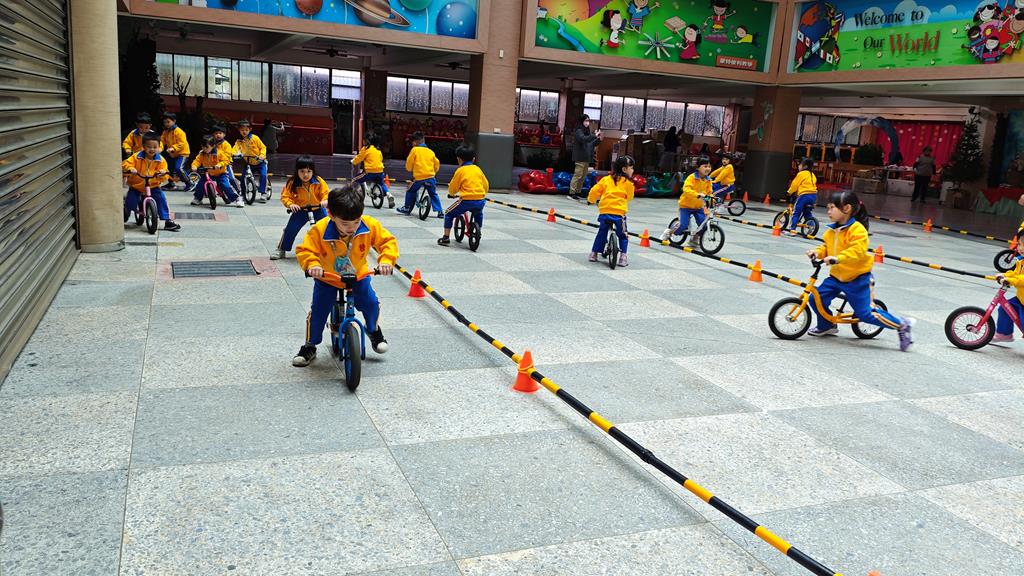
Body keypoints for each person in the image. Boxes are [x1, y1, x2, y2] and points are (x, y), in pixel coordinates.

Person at [292, 185, 397, 367]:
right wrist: (313, 264)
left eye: (356, 222)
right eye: (345, 224)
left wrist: (386, 260)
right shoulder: (320, 229)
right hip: (328, 277)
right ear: (331, 214)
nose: (351, 228)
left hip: (358, 275)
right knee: (318, 311)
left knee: (371, 303)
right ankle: (310, 345)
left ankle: (373, 330)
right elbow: (305, 249)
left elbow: (387, 241)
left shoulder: (368, 224)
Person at [804, 190, 915, 351]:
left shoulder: (858, 230)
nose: (828, 211)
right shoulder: (830, 231)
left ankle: (902, 324)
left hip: (858, 279)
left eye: (832, 207)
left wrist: (838, 258)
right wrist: (817, 252)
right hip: (836, 277)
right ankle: (827, 325)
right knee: (815, 298)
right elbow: (826, 247)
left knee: (865, 314)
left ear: (846, 208)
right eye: (828, 208)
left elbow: (857, 251)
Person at [271, 155, 330, 260]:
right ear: (297, 171)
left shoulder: (318, 181)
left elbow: (326, 193)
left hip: (318, 209)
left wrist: (325, 200)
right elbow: (285, 196)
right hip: (300, 210)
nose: (305, 174)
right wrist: (291, 204)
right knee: (290, 229)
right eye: (302, 171)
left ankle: (332, 249)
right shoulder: (292, 182)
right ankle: (281, 249)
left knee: (328, 226)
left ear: (313, 171)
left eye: (308, 171)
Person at [121, 131, 180, 231]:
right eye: (149, 147)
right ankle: (126, 212)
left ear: (159, 147)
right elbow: (125, 163)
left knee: (161, 198)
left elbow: (165, 172)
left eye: (155, 147)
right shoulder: (136, 157)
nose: (152, 149)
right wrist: (131, 168)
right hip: (137, 185)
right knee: (131, 200)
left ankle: (167, 220)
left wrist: (162, 173)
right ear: (143, 146)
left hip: (153, 185)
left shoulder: (161, 160)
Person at [587, 155, 635, 267]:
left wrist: (591, 200)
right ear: (624, 169)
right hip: (619, 214)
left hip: (605, 212)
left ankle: (594, 254)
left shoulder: (606, 179)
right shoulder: (628, 183)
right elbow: (630, 197)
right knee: (623, 235)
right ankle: (623, 257)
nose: (633, 170)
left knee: (602, 232)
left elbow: (594, 191)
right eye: (631, 168)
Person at [438, 143, 488, 246]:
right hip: (480, 200)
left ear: (459, 159)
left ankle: (446, 237)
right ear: (473, 159)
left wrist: (452, 193)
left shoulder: (460, 171)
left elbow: (453, 187)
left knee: (448, 213)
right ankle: (478, 231)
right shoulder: (478, 169)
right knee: (478, 213)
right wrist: (482, 193)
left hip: (466, 200)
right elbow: (486, 184)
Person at [660, 156, 713, 247]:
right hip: (686, 206)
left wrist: (712, 198)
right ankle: (669, 232)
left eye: (709, 166)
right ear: (698, 167)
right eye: (705, 166)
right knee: (683, 225)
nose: (707, 168)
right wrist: (697, 194)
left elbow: (709, 193)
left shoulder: (708, 180)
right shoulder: (691, 177)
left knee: (703, 224)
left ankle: (694, 238)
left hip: (698, 207)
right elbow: (686, 189)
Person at [190, 135, 244, 208]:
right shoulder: (202, 154)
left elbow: (226, 160)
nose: (204, 149)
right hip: (208, 173)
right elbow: (197, 161)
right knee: (200, 185)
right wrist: (194, 166)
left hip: (221, 173)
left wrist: (219, 164)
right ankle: (198, 198)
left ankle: (237, 199)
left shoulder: (219, 153)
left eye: (206, 147)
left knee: (226, 186)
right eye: (202, 147)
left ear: (213, 146)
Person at [399, 131, 442, 217]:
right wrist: (433, 172)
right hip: (431, 177)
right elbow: (437, 164)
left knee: (411, 190)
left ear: (415, 142)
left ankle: (407, 207)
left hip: (419, 178)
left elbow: (409, 163)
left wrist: (409, 169)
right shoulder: (430, 152)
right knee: (433, 193)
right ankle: (440, 211)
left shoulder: (415, 150)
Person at [993, 229, 1024, 343]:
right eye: (1019, 244)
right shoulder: (1021, 261)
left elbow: (1022, 279)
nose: (1021, 248)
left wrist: (1010, 280)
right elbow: (1016, 273)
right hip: (1021, 298)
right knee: (1005, 308)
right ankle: (1004, 334)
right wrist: (1005, 275)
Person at [352, 133, 395, 208]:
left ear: (366, 141)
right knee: (382, 183)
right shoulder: (378, 150)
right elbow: (381, 159)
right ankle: (388, 194)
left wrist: (353, 161)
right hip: (380, 171)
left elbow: (359, 158)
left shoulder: (365, 149)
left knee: (354, 179)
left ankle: (353, 197)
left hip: (369, 172)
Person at [233, 119, 270, 203]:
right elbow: (234, 149)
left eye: (246, 130)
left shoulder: (255, 138)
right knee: (243, 178)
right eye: (242, 130)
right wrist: (235, 154)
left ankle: (263, 193)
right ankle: (243, 194)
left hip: (260, 162)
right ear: (239, 130)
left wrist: (262, 156)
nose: (244, 132)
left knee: (263, 175)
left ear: (250, 129)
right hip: (248, 163)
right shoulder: (239, 141)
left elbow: (263, 147)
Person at [570, 115, 602, 200]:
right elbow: (583, 139)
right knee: (578, 175)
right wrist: (594, 135)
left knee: (583, 176)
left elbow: (592, 143)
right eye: (586, 120)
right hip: (580, 157)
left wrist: (599, 139)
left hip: (586, 158)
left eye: (588, 120)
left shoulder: (587, 132)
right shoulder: (579, 131)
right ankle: (571, 192)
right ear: (582, 121)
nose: (587, 122)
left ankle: (578, 192)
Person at [786, 157, 818, 235]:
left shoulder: (801, 174)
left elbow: (794, 185)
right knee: (807, 212)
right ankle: (811, 227)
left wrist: (789, 192)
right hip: (813, 196)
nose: (798, 166)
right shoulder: (813, 175)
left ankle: (792, 230)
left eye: (800, 164)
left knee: (796, 212)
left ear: (805, 166)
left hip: (804, 196)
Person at [160, 112, 190, 191]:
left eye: (168, 122)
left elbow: (182, 143)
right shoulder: (165, 132)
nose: (166, 124)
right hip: (172, 154)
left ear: (174, 121)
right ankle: (171, 183)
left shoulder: (179, 132)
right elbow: (162, 141)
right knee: (168, 168)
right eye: (165, 122)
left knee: (179, 168)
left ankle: (189, 183)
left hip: (182, 154)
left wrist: (173, 148)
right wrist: (159, 148)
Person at [212, 124, 242, 196]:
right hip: (216, 165)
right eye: (216, 133)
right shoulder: (212, 144)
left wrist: (221, 159)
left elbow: (228, 156)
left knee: (231, 178)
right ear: (213, 135)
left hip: (226, 164)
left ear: (224, 134)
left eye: (220, 133)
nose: (218, 135)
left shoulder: (226, 144)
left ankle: (239, 190)